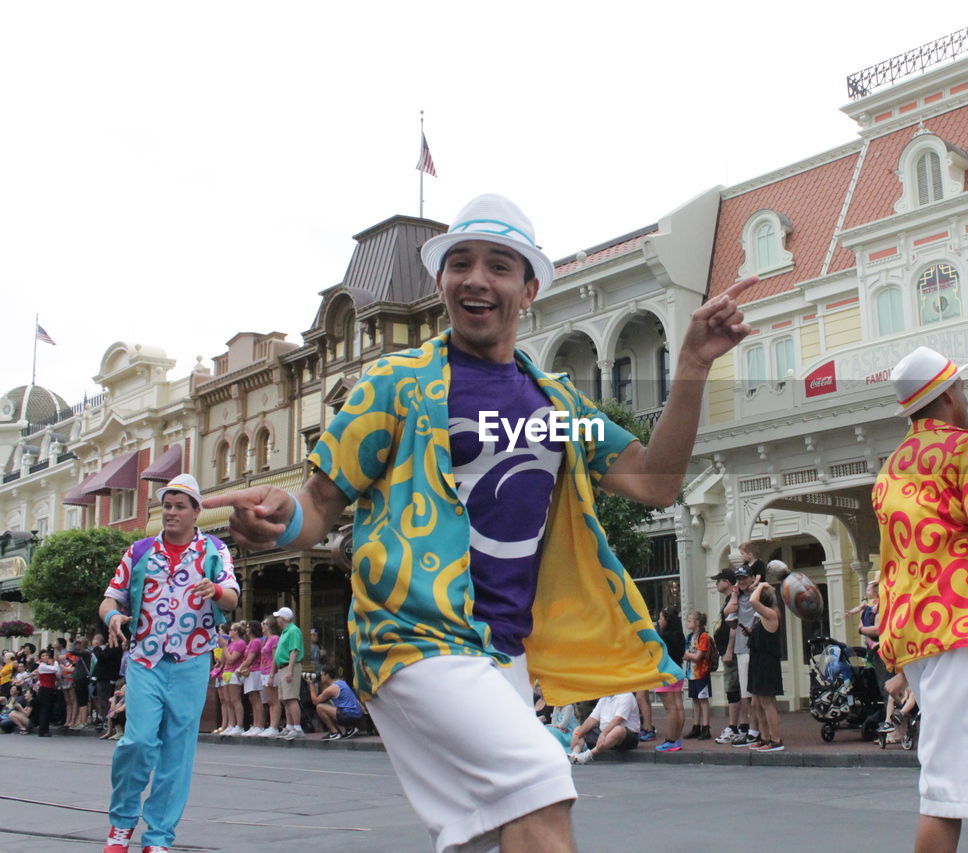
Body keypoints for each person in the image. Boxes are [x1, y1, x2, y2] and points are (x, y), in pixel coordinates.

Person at [204, 193, 754, 853]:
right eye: (460, 262)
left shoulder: (557, 404)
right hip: (415, 636)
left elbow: (652, 480)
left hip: (504, 654)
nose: (475, 277)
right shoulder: (395, 384)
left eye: (499, 265)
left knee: (487, 832)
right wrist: (279, 518)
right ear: (441, 283)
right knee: (542, 778)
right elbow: (320, 500)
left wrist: (691, 367)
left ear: (527, 289)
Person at [872, 346, 968, 853]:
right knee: (950, 790)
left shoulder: (891, 469)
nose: (965, 395)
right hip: (960, 625)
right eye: (961, 387)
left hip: (916, 631)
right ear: (946, 396)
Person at [98, 473, 239, 853]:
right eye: (167, 506)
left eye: (180, 507)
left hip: (192, 661)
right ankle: (122, 825)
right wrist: (112, 617)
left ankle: (158, 837)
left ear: (196, 511)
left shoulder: (214, 550)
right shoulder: (140, 551)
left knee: (177, 752)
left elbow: (232, 599)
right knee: (138, 742)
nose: (171, 513)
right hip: (146, 659)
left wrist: (217, 589)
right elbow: (110, 599)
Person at [724, 564, 763, 747]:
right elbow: (731, 621)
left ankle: (757, 730)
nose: (741, 582)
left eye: (744, 578)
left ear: (751, 577)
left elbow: (758, 620)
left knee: (757, 695)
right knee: (746, 695)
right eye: (738, 579)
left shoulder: (758, 595)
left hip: (754, 649)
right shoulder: (737, 598)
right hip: (741, 649)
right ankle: (750, 729)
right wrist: (734, 595)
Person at [746, 579, 785, 752]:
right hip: (757, 660)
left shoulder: (771, 613)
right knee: (756, 703)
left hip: (766, 662)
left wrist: (761, 585)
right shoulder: (763, 616)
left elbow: (752, 601)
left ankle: (776, 740)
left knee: (767, 702)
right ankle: (764, 737)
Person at [709, 569, 744, 744]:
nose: (716, 584)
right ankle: (738, 726)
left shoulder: (733, 599)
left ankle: (735, 726)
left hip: (732, 651)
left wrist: (730, 650)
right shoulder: (728, 600)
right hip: (725, 650)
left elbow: (733, 626)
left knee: (733, 688)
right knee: (732, 687)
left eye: (719, 580)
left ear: (728, 582)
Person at [567, 691, 642, 764]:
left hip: (626, 736)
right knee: (579, 729)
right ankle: (574, 754)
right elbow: (592, 719)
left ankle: (587, 756)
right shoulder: (604, 697)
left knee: (618, 730)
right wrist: (578, 734)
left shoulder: (627, 696)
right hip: (604, 733)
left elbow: (618, 719)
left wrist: (603, 734)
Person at [653, 605, 686, 753]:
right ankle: (675, 738)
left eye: (661, 618)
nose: (659, 621)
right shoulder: (679, 635)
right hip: (678, 671)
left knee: (670, 708)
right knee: (678, 706)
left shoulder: (663, 638)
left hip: (665, 672)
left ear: (667, 620)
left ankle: (671, 739)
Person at [272, 606, 304, 741]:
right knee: (285, 699)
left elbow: (294, 651)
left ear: (284, 618)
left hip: (290, 667)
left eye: (278, 617)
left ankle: (297, 727)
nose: (277, 619)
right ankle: (290, 726)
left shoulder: (293, 631)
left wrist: (290, 670)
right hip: (282, 667)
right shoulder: (285, 632)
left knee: (291, 697)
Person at [307, 664, 362, 740]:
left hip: (349, 716)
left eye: (322, 675)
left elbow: (315, 701)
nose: (321, 677)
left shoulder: (331, 689)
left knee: (320, 707)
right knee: (330, 705)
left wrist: (311, 685)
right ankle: (348, 729)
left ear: (327, 676)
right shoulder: (341, 682)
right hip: (356, 715)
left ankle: (334, 732)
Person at [682, 610, 712, 740]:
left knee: (703, 699)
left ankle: (706, 727)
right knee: (695, 699)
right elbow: (685, 654)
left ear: (697, 623)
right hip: (691, 673)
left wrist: (689, 656)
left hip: (701, 673)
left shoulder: (703, 637)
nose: (687, 623)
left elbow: (698, 656)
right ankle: (696, 726)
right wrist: (690, 656)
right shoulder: (689, 637)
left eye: (690, 621)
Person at [238, 620, 266, 736]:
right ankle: (255, 724)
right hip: (250, 672)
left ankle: (259, 725)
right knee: (252, 699)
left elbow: (249, 659)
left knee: (256, 699)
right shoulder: (251, 642)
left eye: (249, 627)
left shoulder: (255, 642)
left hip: (255, 671)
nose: (247, 629)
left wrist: (239, 669)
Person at [256, 615, 281, 738]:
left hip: (271, 672)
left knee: (274, 700)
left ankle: (274, 726)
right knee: (269, 700)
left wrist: (272, 673)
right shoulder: (265, 639)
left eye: (265, 624)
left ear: (270, 626)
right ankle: (271, 725)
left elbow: (275, 657)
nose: (262, 625)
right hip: (264, 671)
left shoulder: (274, 638)